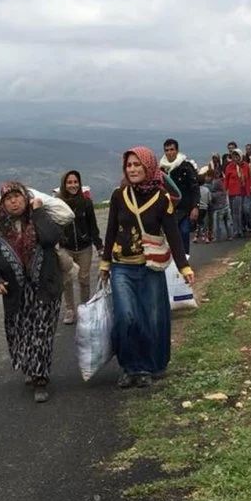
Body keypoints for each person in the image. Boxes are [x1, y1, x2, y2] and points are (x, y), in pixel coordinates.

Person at [100, 146, 194, 388]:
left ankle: (147, 367)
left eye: (137, 164)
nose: (132, 169)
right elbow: (111, 230)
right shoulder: (119, 196)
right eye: (128, 165)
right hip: (122, 267)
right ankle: (129, 366)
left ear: (148, 166)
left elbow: (173, 234)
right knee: (126, 317)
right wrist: (105, 263)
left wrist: (184, 267)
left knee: (151, 318)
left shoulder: (162, 199)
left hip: (150, 267)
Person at [0, 181, 63, 403]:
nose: (14, 202)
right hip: (16, 291)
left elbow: (51, 238)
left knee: (41, 334)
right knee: (21, 333)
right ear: (3, 204)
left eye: (17, 196)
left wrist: (38, 212)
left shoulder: (40, 217)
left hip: (44, 287)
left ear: (25, 197)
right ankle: (29, 365)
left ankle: (40, 378)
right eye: (8, 199)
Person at [57, 170, 103, 325]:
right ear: (64, 184)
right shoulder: (58, 204)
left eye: (76, 182)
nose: (73, 185)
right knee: (66, 279)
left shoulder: (86, 203)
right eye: (69, 182)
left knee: (84, 278)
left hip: (84, 247)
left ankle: (85, 308)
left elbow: (93, 226)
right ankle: (70, 309)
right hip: (66, 248)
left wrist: (99, 246)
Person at [160, 139, 200, 255]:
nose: (169, 153)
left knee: (184, 232)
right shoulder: (161, 169)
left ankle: (184, 260)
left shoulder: (185, 167)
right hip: (168, 210)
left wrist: (195, 207)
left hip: (185, 209)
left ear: (177, 151)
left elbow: (194, 187)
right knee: (170, 237)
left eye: (172, 149)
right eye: (167, 150)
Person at [224, 149, 251, 238]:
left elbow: (249, 178)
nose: (235, 158)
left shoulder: (245, 166)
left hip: (244, 191)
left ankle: (243, 227)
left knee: (245, 211)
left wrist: (250, 187)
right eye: (233, 156)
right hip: (234, 191)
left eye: (237, 156)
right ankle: (237, 230)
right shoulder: (229, 167)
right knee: (235, 212)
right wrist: (225, 190)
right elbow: (226, 180)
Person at [210, 174, 233, 241]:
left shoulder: (214, 194)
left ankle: (217, 237)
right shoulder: (224, 192)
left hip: (218, 210)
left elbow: (211, 201)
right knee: (228, 223)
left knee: (217, 224)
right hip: (226, 208)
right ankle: (230, 236)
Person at [194, 172, 212, 244]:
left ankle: (196, 237)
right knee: (205, 223)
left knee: (198, 223)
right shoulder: (206, 189)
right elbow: (209, 199)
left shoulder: (196, 189)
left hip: (198, 208)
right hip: (205, 208)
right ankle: (206, 238)